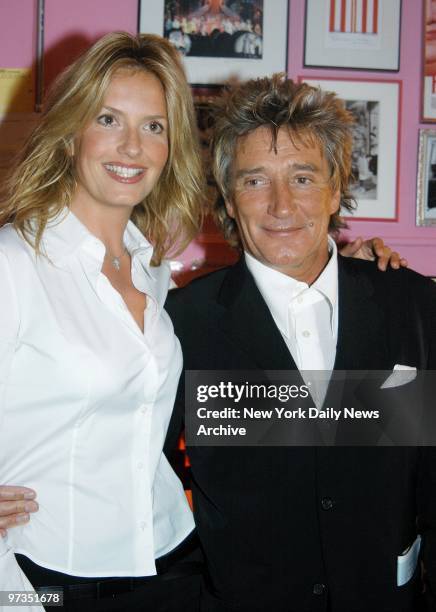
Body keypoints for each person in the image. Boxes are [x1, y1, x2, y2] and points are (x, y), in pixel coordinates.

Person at [162, 75, 436, 611]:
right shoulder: (184, 323)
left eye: (304, 178)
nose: (281, 206)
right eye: (255, 181)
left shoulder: (412, 306)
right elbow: (146, 475)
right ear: (229, 200)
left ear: (336, 190)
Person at [0, 32, 205, 612]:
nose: (132, 146)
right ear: (71, 135)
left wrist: (355, 272)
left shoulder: (154, 270)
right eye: (109, 118)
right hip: (46, 576)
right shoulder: (13, 263)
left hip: (171, 561)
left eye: (154, 127)